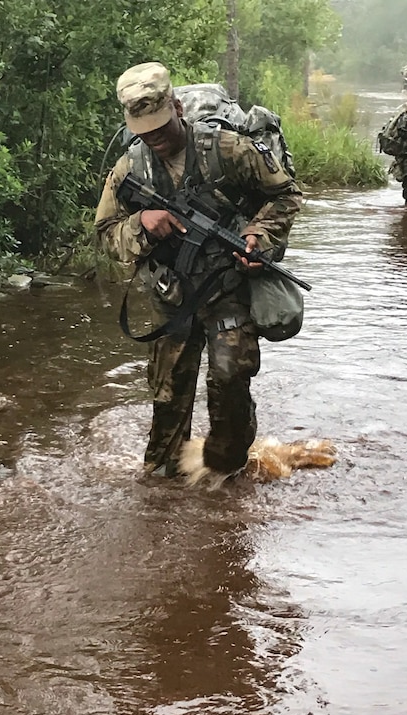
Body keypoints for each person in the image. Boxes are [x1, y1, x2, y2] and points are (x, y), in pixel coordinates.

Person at [95, 62, 302, 482]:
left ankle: (229, 471)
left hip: (228, 285)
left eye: (160, 125)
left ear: (177, 108)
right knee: (168, 396)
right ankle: (162, 488)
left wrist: (257, 235)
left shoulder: (226, 149)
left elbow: (286, 194)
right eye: (143, 129)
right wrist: (142, 225)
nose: (153, 137)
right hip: (172, 296)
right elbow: (105, 235)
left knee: (230, 381)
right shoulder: (129, 169)